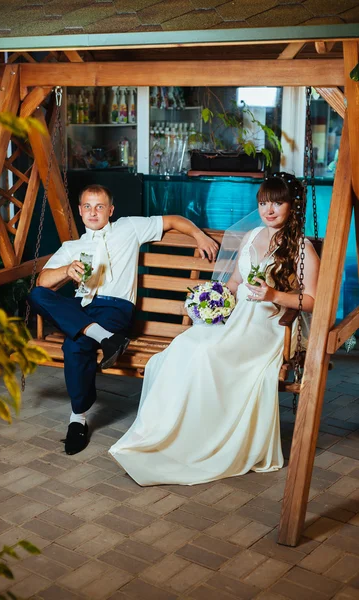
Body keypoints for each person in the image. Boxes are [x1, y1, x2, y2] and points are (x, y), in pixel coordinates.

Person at [109, 173, 320, 486]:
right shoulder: (251, 238)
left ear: (293, 205)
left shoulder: (302, 248)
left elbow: (314, 301)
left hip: (269, 325)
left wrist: (274, 295)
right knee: (182, 348)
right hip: (238, 319)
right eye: (264, 203)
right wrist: (213, 298)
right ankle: (175, 438)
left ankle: (204, 444)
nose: (269, 209)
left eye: (278, 202)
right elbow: (235, 283)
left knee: (207, 353)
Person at [28, 184, 218, 455]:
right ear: (80, 211)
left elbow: (173, 220)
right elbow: (43, 281)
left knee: (74, 344)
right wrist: (67, 270)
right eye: (88, 206)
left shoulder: (129, 228)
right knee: (37, 294)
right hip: (83, 308)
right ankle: (104, 338)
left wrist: (199, 236)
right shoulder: (72, 247)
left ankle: (77, 419)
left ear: (110, 210)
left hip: (114, 309)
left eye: (100, 206)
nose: (93, 212)